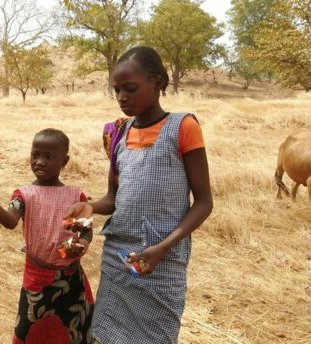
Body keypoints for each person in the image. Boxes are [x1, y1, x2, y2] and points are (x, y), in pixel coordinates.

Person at [65, 46, 213, 343]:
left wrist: (162, 248)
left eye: (130, 88)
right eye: (117, 90)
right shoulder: (118, 133)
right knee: (107, 335)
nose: (121, 97)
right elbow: (113, 198)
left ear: (158, 83)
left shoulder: (183, 127)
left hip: (161, 260)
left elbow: (204, 202)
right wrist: (90, 207)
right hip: (119, 258)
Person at [0, 129, 95, 344]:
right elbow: (11, 221)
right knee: (29, 329)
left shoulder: (76, 195)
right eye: (35, 155)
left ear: (64, 161)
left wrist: (82, 243)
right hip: (38, 278)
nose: (39, 162)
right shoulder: (24, 194)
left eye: (48, 157)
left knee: (73, 328)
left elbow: (86, 229)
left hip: (71, 278)